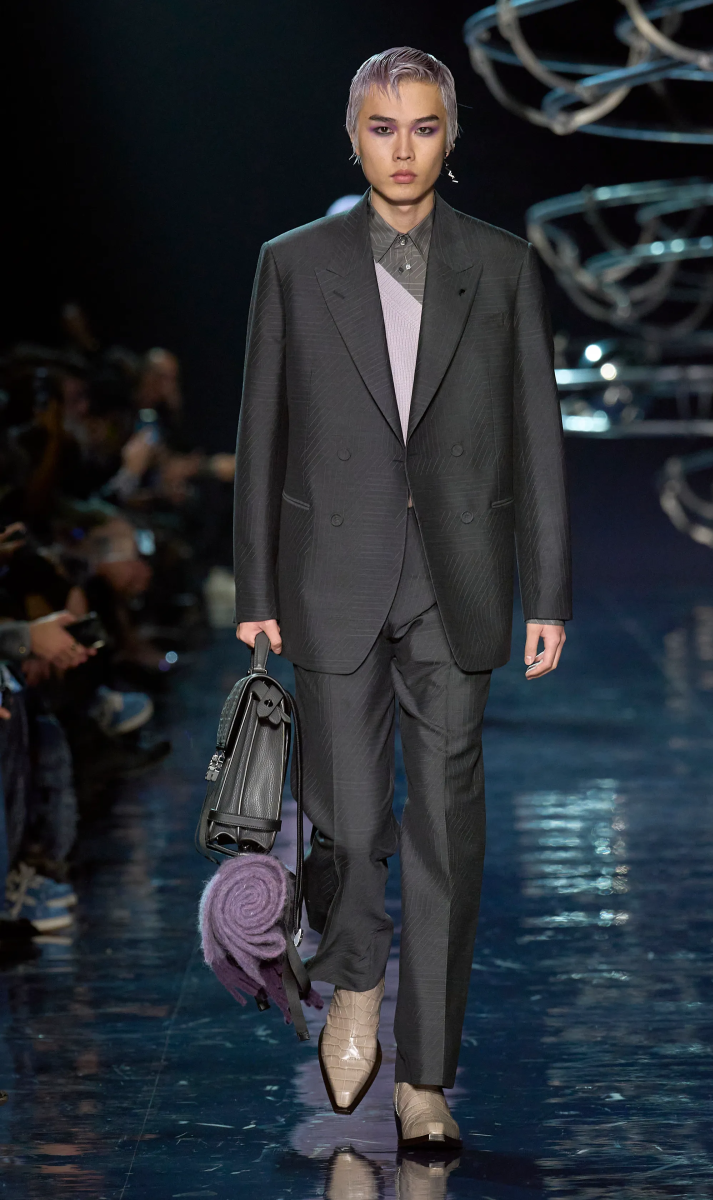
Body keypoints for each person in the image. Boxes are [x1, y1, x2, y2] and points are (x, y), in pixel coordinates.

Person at [234, 46, 571, 1148]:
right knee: (344, 819)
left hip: (457, 577)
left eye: (424, 126)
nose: (403, 149)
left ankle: (425, 1077)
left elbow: (536, 433)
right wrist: (253, 582)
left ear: (450, 136)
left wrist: (548, 592)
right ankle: (355, 982)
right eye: (383, 128)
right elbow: (261, 427)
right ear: (353, 136)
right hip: (329, 570)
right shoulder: (293, 263)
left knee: (447, 830)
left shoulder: (502, 264)